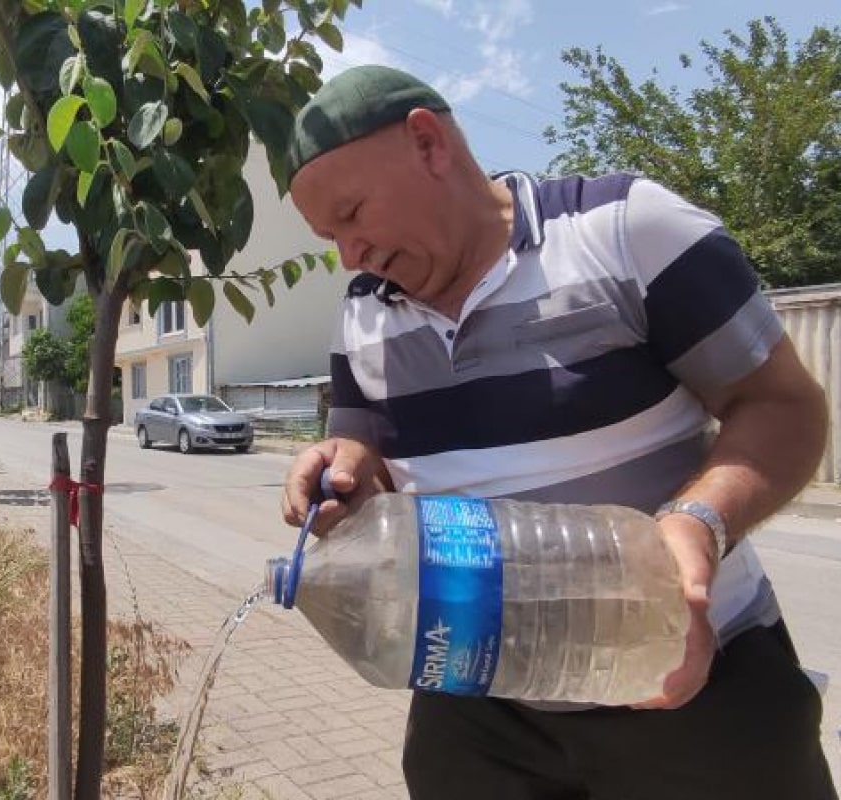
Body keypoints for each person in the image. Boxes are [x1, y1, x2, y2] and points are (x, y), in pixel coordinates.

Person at [279, 65, 835, 800]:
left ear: (428, 142)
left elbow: (784, 406)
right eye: (330, 237)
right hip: (476, 706)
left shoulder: (627, 231)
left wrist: (700, 522)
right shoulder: (364, 316)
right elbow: (370, 464)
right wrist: (344, 470)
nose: (350, 254)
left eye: (352, 214)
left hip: (694, 685)